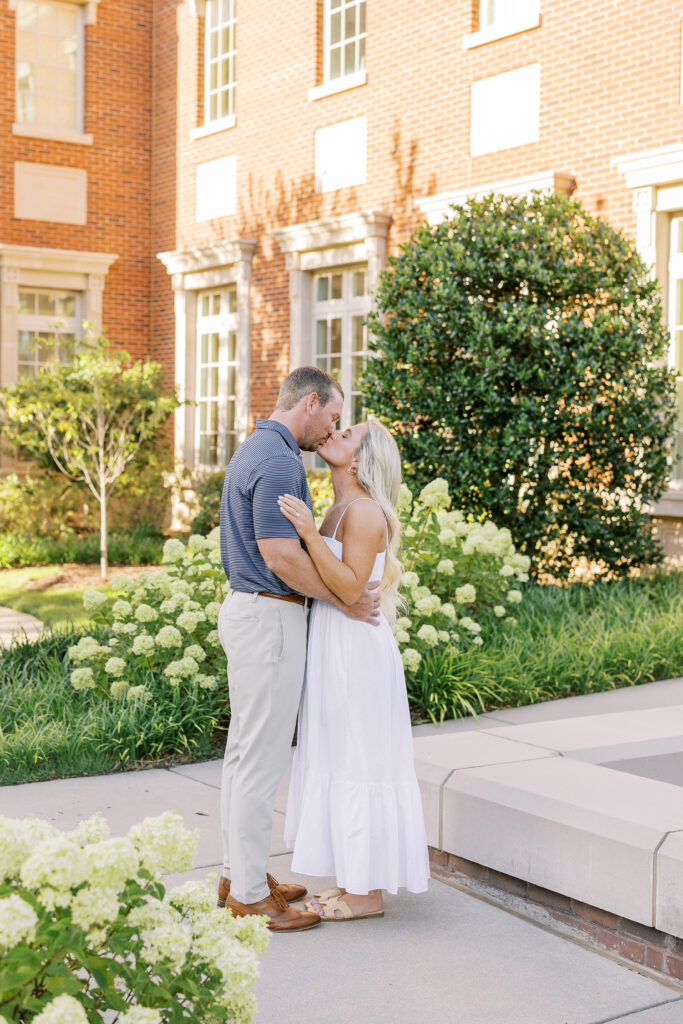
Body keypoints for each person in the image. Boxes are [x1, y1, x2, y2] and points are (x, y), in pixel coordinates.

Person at [216, 366, 380, 933]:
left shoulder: (257, 446)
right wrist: (345, 601)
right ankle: (251, 896)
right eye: (332, 416)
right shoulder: (281, 457)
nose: (332, 428)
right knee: (259, 761)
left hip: (250, 612)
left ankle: (239, 875)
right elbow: (282, 556)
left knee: (243, 755)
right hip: (269, 617)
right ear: (310, 403)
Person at [278, 418, 430, 921]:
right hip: (334, 643)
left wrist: (305, 532)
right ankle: (351, 881)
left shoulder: (364, 512)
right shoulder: (341, 506)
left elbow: (347, 587)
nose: (334, 435)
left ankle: (367, 897)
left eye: (348, 435)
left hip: (356, 654)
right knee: (341, 756)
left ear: (362, 461)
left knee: (361, 759)